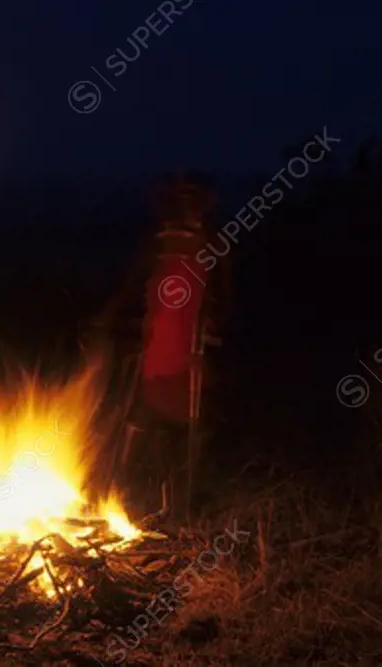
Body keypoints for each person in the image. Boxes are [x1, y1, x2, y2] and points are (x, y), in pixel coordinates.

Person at [101, 173, 230, 522]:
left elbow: (222, 291)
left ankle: (181, 500)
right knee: (142, 417)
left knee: (185, 424)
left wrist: (214, 322)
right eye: (179, 197)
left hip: (188, 347)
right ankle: (125, 489)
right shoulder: (157, 243)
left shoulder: (211, 242)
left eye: (192, 197)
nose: (184, 204)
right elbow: (134, 284)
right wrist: (114, 317)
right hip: (157, 342)